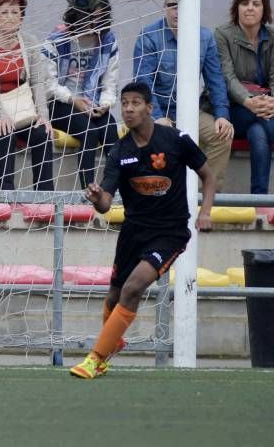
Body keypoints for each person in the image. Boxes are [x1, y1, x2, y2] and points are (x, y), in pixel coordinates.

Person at [70, 82, 216, 380]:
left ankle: (96, 358)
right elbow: (106, 204)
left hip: (170, 232)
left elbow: (208, 174)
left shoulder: (175, 140)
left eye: (136, 103)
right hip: (133, 232)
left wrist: (206, 212)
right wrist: (98, 197)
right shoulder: (119, 152)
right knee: (113, 296)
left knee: (133, 287)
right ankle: (113, 342)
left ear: (149, 108)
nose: (128, 108)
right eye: (124, 103)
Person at [134, 0, 234, 190]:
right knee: (161, 139)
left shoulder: (204, 37)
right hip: (157, 111)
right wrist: (156, 116)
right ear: (165, 8)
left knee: (223, 135)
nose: (177, 11)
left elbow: (216, 80)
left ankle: (202, 196)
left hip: (190, 110)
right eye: (172, 6)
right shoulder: (149, 36)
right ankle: (163, 195)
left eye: (182, 6)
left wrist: (222, 115)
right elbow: (142, 82)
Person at [0, 0, 54, 191]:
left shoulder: (30, 42)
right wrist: (0, 115)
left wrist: (43, 116)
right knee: (5, 130)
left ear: (22, 18)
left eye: (15, 12)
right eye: (4, 12)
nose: (9, 17)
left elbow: (38, 82)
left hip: (22, 109)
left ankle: (45, 196)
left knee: (43, 133)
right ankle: (6, 195)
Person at [43, 0, 119, 189]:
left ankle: (112, 190)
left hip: (93, 103)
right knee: (89, 132)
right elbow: (47, 84)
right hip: (60, 103)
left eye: (99, 19)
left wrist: (105, 104)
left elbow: (110, 84)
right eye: (89, 18)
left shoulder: (108, 41)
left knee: (110, 129)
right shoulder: (57, 39)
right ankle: (88, 192)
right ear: (77, 15)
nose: (93, 24)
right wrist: (73, 99)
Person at [214, 0, 274, 194]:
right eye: (244, 3)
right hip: (235, 108)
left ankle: (259, 200)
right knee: (261, 122)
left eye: (256, 4)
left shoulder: (272, 36)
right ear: (236, 7)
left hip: (265, 111)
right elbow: (227, 78)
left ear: (264, 9)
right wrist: (249, 101)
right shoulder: (223, 34)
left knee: (258, 133)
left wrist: (271, 103)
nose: (250, 8)